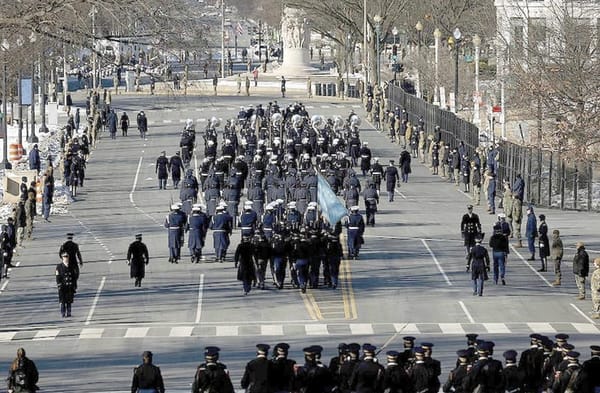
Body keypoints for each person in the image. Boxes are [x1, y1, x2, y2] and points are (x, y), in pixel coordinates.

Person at [56, 252, 76, 317]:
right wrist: (59, 285)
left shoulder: (71, 266)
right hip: (62, 287)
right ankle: (63, 312)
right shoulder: (59, 267)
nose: (66, 258)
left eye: (67, 257)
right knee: (62, 301)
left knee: (69, 301)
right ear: (62, 258)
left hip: (69, 286)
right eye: (64, 257)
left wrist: (74, 285)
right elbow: (58, 277)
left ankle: (69, 312)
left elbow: (74, 276)